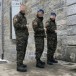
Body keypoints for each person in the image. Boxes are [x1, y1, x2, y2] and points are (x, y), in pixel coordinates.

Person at [13, 4, 29, 72]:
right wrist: (25, 26)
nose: (24, 9)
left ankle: (21, 63)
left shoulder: (24, 17)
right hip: (20, 38)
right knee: (20, 51)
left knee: (23, 51)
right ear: (20, 8)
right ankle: (18, 66)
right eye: (22, 7)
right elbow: (16, 25)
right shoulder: (17, 16)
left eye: (25, 8)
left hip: (24, 37)